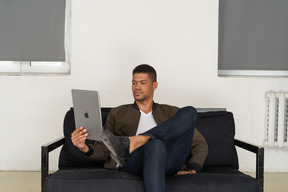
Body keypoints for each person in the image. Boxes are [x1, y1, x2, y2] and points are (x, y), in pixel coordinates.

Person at [71, 64, 208, 192]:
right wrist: (84, 148)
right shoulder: (117, 113)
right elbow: (105, 148)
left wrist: (194, 168)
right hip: (133, 162)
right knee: (154, 144)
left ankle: (134, 141)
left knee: (190, 111)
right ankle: (138, 142)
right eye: (134, 83)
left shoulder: (170, 113)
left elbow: (199, 143)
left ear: (154, 85)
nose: (137, 87)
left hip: (168, 161)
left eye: (143, 83)